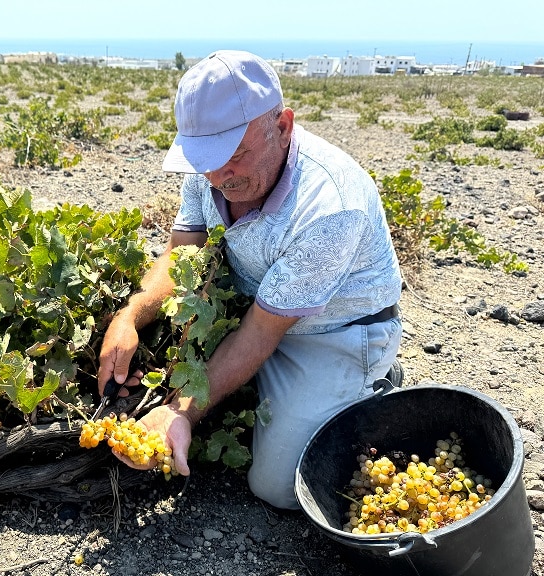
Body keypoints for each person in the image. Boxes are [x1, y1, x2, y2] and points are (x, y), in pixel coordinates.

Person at [97, 50, 403, 510]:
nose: (218, 177)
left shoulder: (331, 207)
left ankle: (371, 382)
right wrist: (130, 317)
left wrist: (180, 411)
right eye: (205, 159)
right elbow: (183, 250)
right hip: (256, 303)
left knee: (279, 489)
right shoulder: (211, 168)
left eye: (235, 156)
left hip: (332, 332)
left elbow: (260, 333)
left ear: (282, 128)